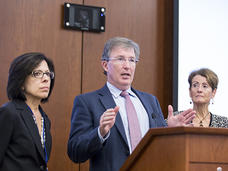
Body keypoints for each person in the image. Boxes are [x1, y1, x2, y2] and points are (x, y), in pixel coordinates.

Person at [67, 37, 195, 171]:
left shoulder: (151, 101)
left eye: (132, 60)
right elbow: (75, 152)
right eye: (120, 59)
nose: (127, 65)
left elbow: (161, 149)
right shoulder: (87, 102)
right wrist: (100, 132)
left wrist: (170, 131)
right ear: (105, 65)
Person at [0, 52, 55, 171]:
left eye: (47, 74)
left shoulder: (45, 118)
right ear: (21, 82)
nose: (46, 79)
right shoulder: (9, 113)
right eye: (37, 73)